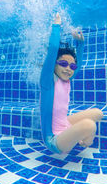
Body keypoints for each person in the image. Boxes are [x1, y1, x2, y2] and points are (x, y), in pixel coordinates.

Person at [40, 13, 103, 154]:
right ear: (54, 65)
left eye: (72, 67)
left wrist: (80, 44)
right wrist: (56, 26)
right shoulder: (48, 82)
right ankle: (86, 141)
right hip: (54, 139)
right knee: (89, 125)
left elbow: (78, 64)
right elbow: (52, 50)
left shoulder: (67, 81)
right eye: (63, 63)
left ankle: (76, 134)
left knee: (98, 113)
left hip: (65, 125)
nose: (68, 69)